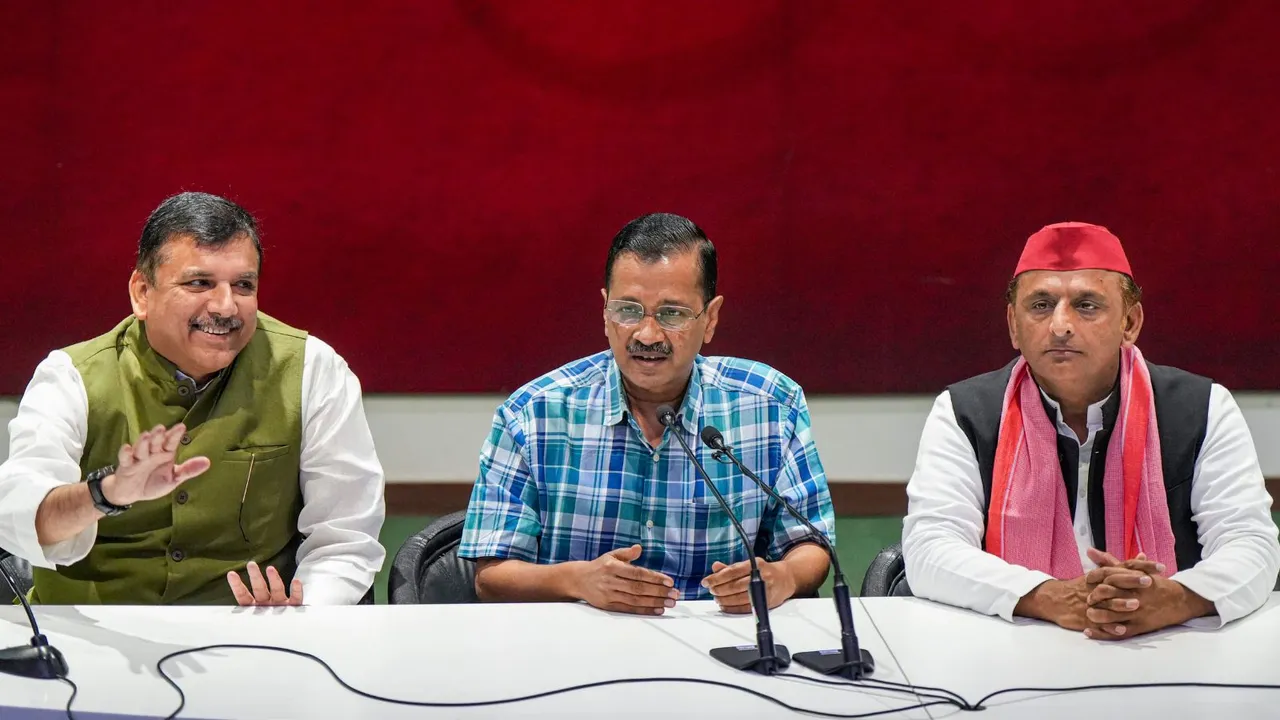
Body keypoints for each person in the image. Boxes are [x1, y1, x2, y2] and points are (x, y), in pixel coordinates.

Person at [0, 192, 386, 605]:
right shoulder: (70, 376)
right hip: (89, 639)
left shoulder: (313, 369)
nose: (225, 306)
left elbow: (345, 536)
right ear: (142, 293)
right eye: (199, 283)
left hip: (253, 638)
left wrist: (302, 612)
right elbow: (19, 514)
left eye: (243, 285)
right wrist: (106, 493)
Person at [903, 222, 1280, 639]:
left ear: (1130, 322)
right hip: (1013, 647)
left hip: (1169, 646)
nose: (1060, 325)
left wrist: (1174, 598)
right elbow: (929, 549)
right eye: (1041, 305)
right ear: (1013, 324)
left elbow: (1251, 543)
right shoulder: (964, 412)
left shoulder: (1201, 408)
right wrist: (1049, 597)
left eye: (1086, 305)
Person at [459, 213, 835, 615]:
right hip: (578, 644)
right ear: (604, 311)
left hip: (724, 641)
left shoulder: (771, 405)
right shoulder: (533, 414)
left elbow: (810, 541)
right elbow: (491, 574)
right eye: (628, 310)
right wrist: (577, 580)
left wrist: (785, 577)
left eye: (671, 314)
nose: (647, 335)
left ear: (710, 319)